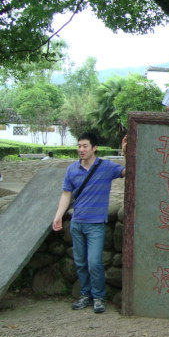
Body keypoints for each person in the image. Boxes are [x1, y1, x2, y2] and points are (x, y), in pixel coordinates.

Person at [52, 132, 126, 314]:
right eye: (79, 146)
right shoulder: (72, 169)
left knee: (94, 263)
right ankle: (86, 295)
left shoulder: (106, 167)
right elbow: (66, 194)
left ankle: (99, 297)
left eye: (85, 146)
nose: (81, 150)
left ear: (94, 148)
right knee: (80, 263)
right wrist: (58, 216)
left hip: (96, 224)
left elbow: (129, 171)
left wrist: (126, 153)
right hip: (77, 223)